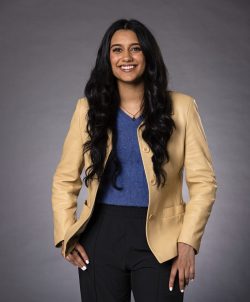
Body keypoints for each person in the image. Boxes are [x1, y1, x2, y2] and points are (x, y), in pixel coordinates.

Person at [51, 18, 218, 302]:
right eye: (117, 50)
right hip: (99, 238)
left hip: (161, 242)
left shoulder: (182, 107)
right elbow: (64, 179)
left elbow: (204, 183)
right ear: (108, 58)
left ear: (148, 56)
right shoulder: (87, 110)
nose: (126, 57)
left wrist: (188, 242)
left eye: (135, 49)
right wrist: (67, 234)